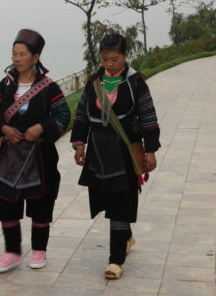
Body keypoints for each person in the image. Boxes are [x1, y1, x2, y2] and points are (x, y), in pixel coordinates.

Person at [71, 33, 160, 280]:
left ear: (125, 56)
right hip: (99, 151)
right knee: (111, 199)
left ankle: (115, 260)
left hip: (124, 150)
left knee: (121, 201)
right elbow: (81, 115)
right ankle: (127, 237)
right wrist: (79, 144)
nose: (109, 64)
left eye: (114, 59)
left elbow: (148, 116)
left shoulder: (136, 82)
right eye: (105, 59)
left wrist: (150, 150)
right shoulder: (93, 82)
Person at [0, 29, 71, 273]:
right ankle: (12, 252)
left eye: (22, 53)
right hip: (10, 156)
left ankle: (39, 250)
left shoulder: (48, 87)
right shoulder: (6, 85)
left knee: (41, 203)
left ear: (36, 57)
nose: (16, 58)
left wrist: (41, 127)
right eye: (14, 53)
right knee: (5, 200)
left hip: (40, 157)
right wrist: (3, 127)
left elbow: (64, 115)